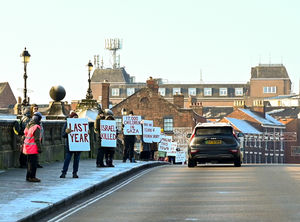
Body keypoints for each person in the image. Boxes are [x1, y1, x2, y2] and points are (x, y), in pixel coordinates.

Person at [60, 111, 81, 178]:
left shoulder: (80, 124)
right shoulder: (67, 124)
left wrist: (87, 132)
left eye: (77, 118)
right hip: (70, 145)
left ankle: (75, 173)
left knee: (76, 160)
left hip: (78, 145)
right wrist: (66, 132)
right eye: (74, 117)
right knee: (67, 159)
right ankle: (64, 172)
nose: (76, 119)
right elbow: (63, 135)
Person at [23, 112, 43, 182]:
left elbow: (25, 134)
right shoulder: (36, 127)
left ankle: (28, 177)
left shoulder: (29, 126)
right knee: (33, 164)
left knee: (29, 163)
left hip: (27, 147)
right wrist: (39, 148)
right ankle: (32, 177)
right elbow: (37, 139)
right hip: (33, 148)